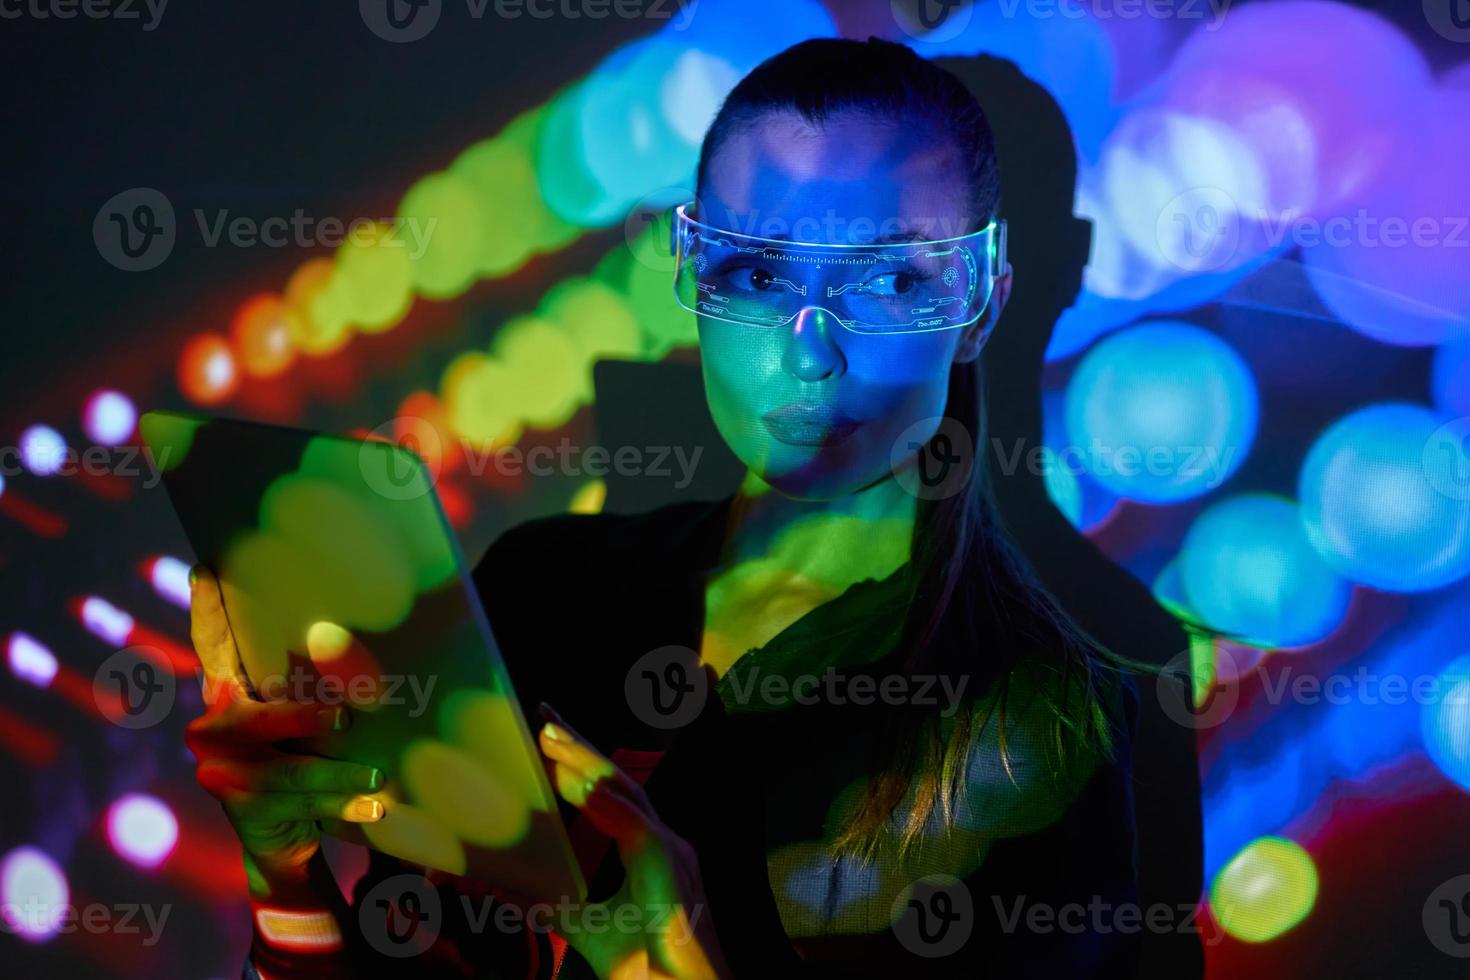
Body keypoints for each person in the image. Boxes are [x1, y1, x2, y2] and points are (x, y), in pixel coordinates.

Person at [186, 37, 1149, 978]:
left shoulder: (1050, 723)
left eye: (892, 278)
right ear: (695, 275)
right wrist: (285, 868)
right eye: (761, 275)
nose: (811, 354)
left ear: (979, 303)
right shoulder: (534, 589)